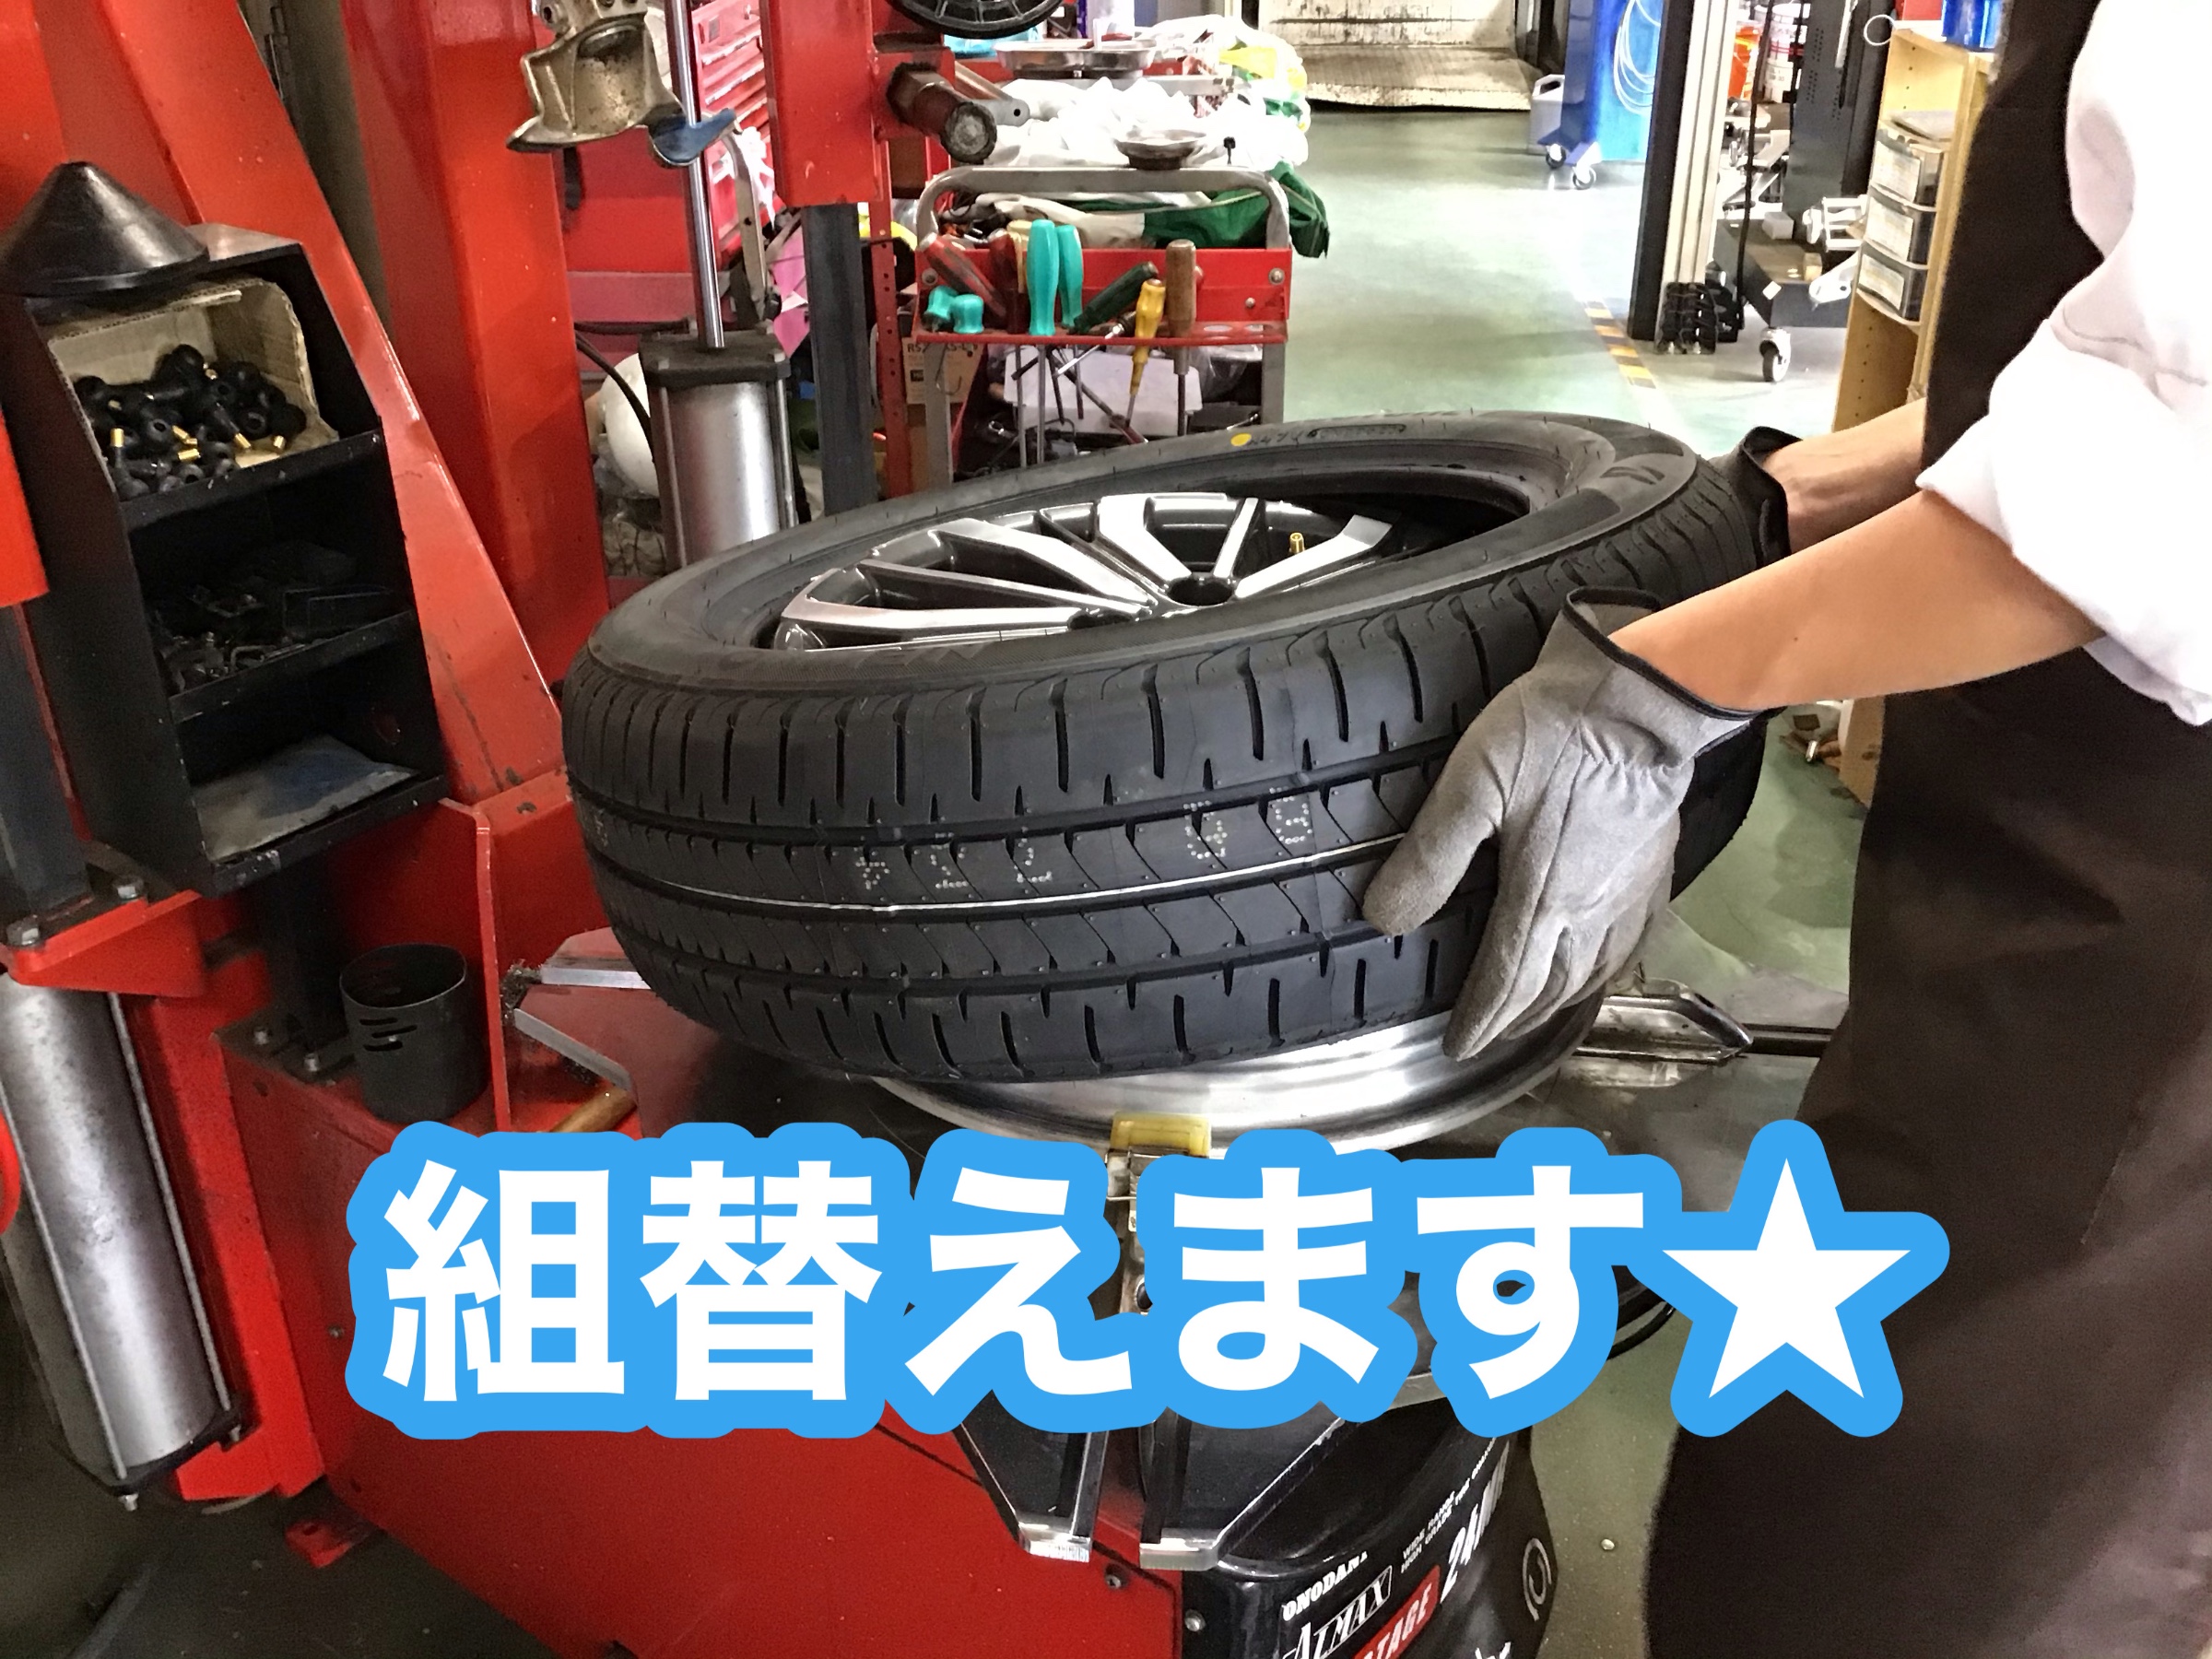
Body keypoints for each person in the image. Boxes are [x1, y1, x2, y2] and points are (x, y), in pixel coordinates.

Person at [1361, 0, 2212, 1650]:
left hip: (2158, 958)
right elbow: (2114, 361)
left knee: (1932, 1546)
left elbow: (2169, 487)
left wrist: (1661, 688)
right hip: (2041, 898)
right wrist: (1775, 500)